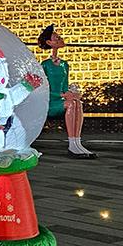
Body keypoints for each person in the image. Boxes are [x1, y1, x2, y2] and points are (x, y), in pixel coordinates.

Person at [39, 25, 96, 159]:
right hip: (51, 102)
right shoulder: (45, 65)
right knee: (71, 104)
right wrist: (61, 95)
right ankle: (72, 144)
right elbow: (43, 89)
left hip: (63, 100)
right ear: (49, 43)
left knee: (77, 103)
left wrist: (71, 93)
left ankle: (77, 142)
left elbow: (64, 86)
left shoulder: (64, 64)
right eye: (56, 37)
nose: (59, 38)